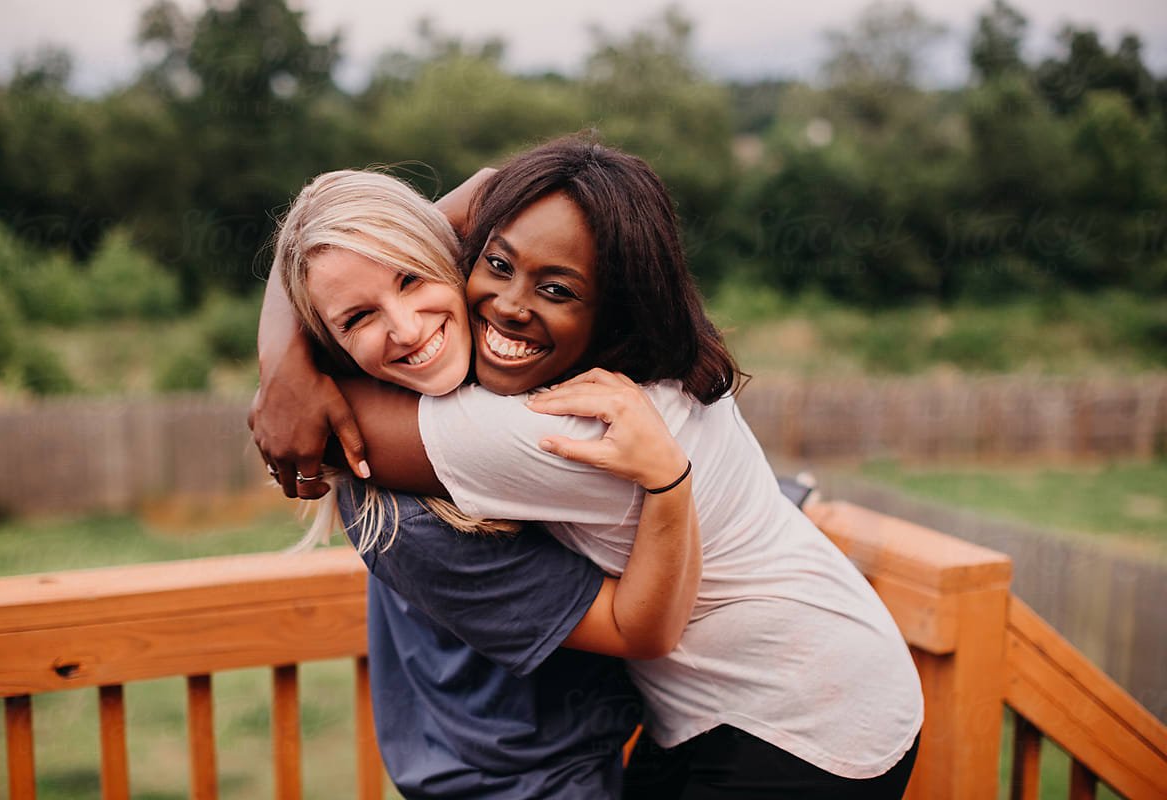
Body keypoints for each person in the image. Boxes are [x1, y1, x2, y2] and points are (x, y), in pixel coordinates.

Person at [254, 136, 924, 797]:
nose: (513, 304)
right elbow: (492, 186)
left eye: (556, 287)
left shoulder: (561, 427)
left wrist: (283, 360)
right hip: (767, 692)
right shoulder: (634, 359)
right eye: (498, 262)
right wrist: (302, 301)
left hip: (805, 721)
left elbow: (318, 428)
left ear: (612, 300)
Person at [255, 166, 703, 798]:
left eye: (411, 278)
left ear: (456, 256)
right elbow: (642, 632)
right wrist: (670, 483)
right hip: (527, 784)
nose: (408, 328)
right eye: (358, 319)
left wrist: (280, 358)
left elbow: (503, 182)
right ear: (330, 349)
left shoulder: (489, 373)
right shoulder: (406, 519)